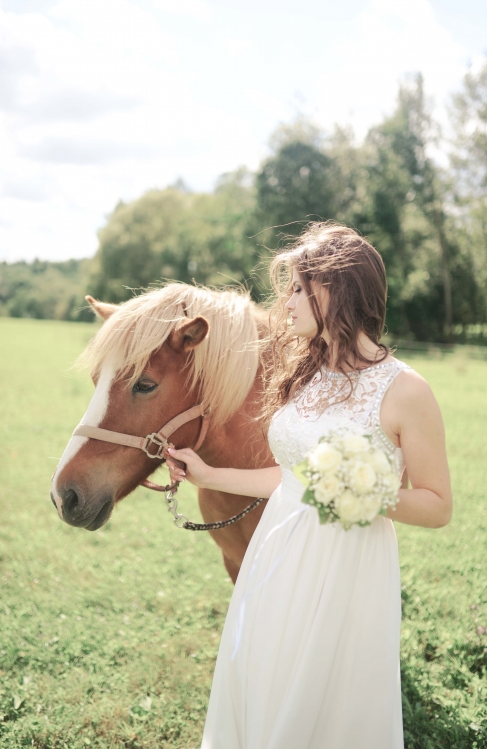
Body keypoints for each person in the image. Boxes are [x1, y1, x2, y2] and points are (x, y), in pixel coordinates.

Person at [166, 223, 452, 749]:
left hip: (346, 568)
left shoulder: (406, 390)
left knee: (327, 698)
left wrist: (364, 494)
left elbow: (437, 506)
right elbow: (292, 477)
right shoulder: (308, 374)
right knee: (265, 673)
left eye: (299, 288)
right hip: (276, 555)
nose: (287, 302)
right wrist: (207, 475)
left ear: (339, 291)